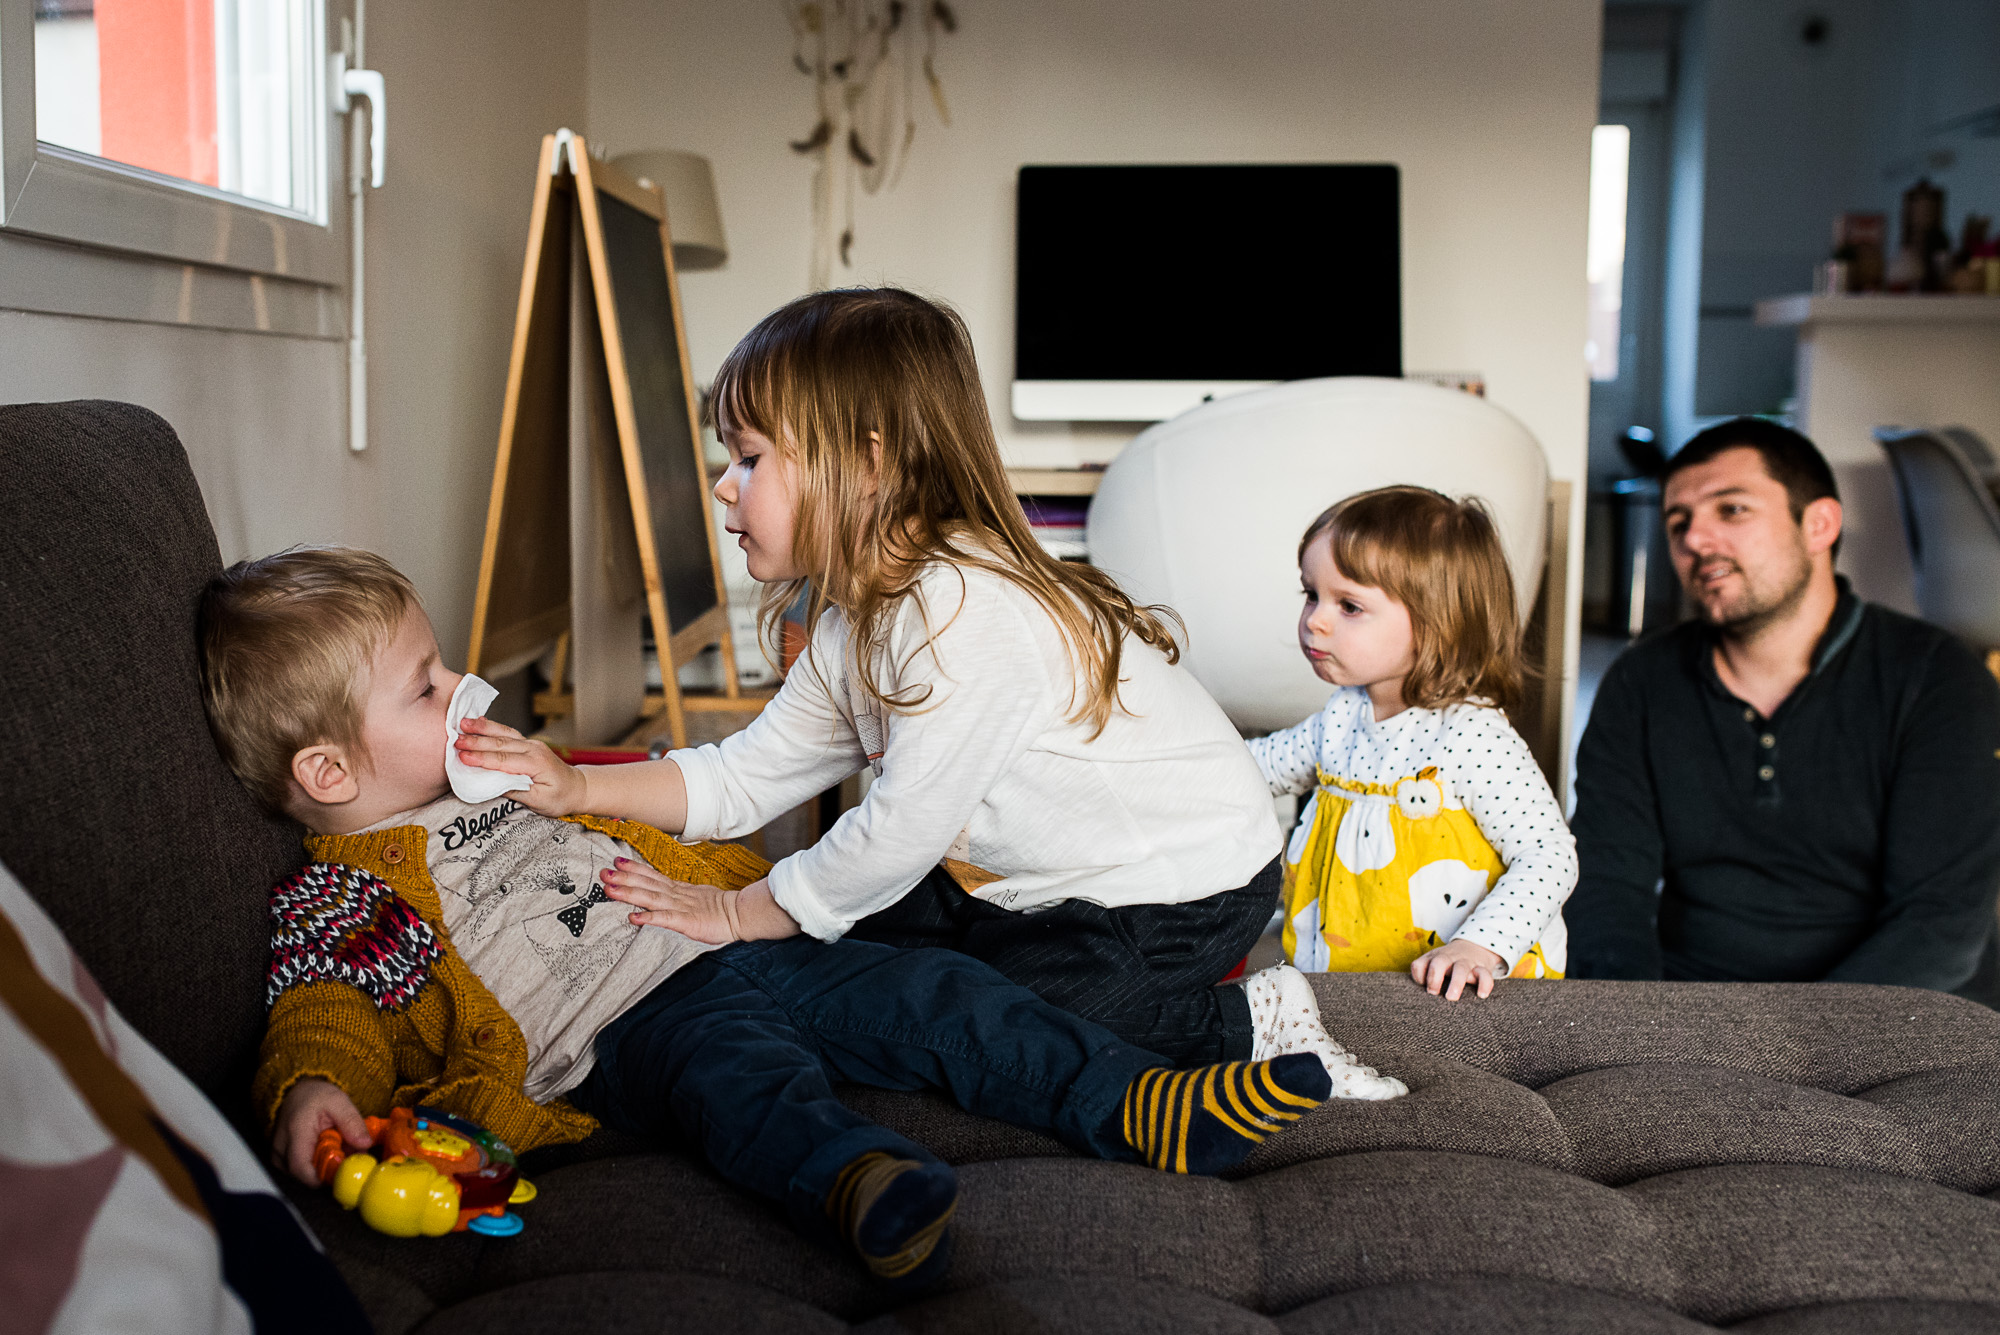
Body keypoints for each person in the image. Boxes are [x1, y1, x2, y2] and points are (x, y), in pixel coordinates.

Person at [201, 546, 1337, 1292]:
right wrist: (315, 1088)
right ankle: (858, 1182)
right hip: (622, 1028)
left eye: (441, 666)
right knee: (741, 1082)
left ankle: (1137, 1102)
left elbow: (673, 814)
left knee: (940, 994)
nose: (464, 690)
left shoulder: (501, 783)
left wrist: (738, 878)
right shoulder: (341, 895)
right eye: (425, 686)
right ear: (330, 772)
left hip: (724, 936)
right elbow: (324, 1009)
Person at [458, 286, 1402, 1096]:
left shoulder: (964, 610)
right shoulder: (852, 618)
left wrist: (741, 912)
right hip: (1016, 879)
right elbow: (745, 779)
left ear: (867, 464)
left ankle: (1248, 1022)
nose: (720, 486)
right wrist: (577, 785)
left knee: (994, 1024)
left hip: (1178, 886)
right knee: (854, 970)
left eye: (749, 457)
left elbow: (898, 828)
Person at [1565, 418, 2000, 995]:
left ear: (1819, 524)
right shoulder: (1640, 683)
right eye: (1678, 523)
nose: (1694, 540)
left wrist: (1792, 1049)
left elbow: (1939, 921)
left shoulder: (1938, 679)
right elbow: (1606, 886)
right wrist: (1640, 1027)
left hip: (1902, 1012)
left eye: (1732, 510)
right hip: (1699, 1001)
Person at [1249, 487, 1578, 1001]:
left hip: (1456, 991)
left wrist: (1479, 945)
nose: (1315, 619)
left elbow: (1548, 855)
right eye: (1311, 594)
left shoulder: (1471, 736)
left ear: (1435, 626)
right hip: (1343, 979)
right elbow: (1254, 769)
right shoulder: (1341, 717)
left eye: (1350, 605)